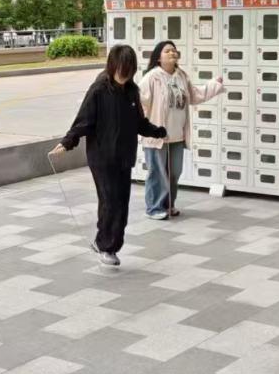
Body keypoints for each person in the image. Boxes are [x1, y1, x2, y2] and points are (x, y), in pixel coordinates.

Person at [50, 44, 167, 266]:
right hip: (102, 158)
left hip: (124, 156)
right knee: (110, 201)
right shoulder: (99, 90)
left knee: (122, 204)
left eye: (129, 70)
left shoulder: (132, 91)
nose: (124, 75)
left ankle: (108, 244)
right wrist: (67, 142)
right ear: (113, 66)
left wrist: (157, 131)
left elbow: (139, 123)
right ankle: (105, 246)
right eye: (121, 69)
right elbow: (84, 121)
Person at [140, 41, 223, 219]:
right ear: (158, 57)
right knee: (157, 173)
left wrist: (213, 85)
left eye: (174, 50)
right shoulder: (152, 77)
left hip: (177, 135)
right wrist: (143, 126)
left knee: (174, 173)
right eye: (167, 51)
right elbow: (141, 103)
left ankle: (168, 205)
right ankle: (154, 208)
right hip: (156, 137)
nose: (172, 53)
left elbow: (195, 95)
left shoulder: (181, 76)